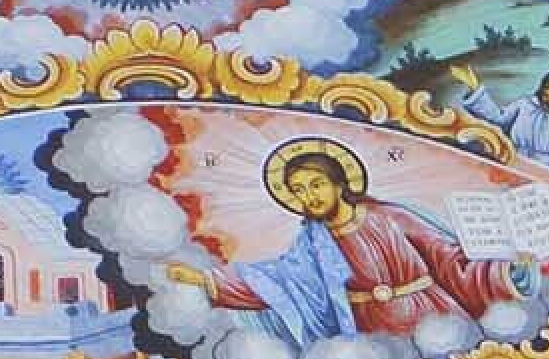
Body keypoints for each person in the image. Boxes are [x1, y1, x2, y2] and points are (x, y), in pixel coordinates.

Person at [163, 137, 515, 345]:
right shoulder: (312, 243)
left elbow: (449, 261)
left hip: (432, 317)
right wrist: (207, 280)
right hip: (373, 335)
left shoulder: (387, 217)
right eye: (299, 190)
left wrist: (505, 274)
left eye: (316, 185)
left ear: (338, 184)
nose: (309, 196)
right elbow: (279, 280)